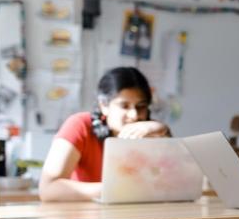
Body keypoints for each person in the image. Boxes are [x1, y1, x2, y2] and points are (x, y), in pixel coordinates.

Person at [39, 67, 170, 201]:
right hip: (84, 217)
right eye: (124, 106)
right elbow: (48, 189)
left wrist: (165, 133)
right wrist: (117, 190)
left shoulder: (152, 131)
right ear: (104, 106)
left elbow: (174, 185)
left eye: (141, 106)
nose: (134, 115)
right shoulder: (79, 125)